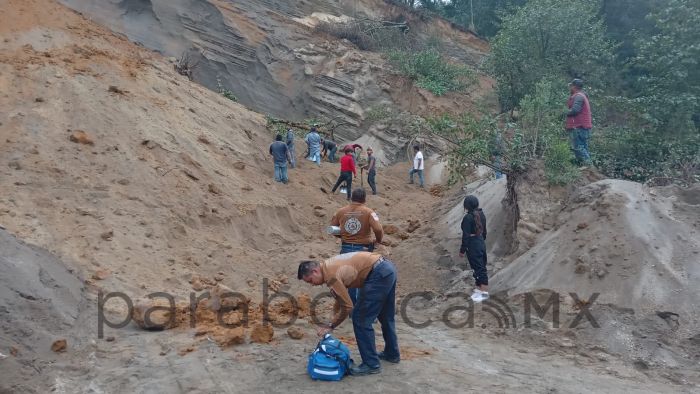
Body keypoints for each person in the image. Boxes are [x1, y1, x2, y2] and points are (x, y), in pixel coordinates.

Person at [297, 252, 400, 376]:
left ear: (315, 271)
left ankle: (371, 364)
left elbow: (347, 306)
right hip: (387, 269)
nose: (312, 284)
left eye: (310, 281)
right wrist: (332, 318)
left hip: (376, 275)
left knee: (360, 318)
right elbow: (341, 298)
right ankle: (392, 354)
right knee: (385, 316)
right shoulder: (328, 265)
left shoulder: (331, 276)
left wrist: (331, 325)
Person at [331, 188, 383, 304]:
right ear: (364, 199)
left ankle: (352, 309)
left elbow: (332, 229)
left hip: (346, 248)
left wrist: (343, 236)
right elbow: (378, 228)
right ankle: (363, 309)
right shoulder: (369, 212)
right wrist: (378, 240)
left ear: (351, 198)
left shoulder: (341, 211)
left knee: (350, 280)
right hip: (363, 249)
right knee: (364, 278)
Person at [459, 195, 488, 303]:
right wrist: (481, 240)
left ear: (466, 206)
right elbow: (484, 231)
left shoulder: (468, 218)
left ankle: (484, 293)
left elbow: (465, 235)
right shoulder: (481, 214)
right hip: (480, 241)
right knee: (480, 266)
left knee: (479, 268)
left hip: (473, 244)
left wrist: (462, 250)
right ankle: (479, 291)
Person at [565, 78, 593, 166]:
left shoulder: (578, 96)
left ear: (574, 86)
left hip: (579, 127)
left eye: (571, 86)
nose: (570, 88)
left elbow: (575, 110)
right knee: (583, 147)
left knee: (579, 147)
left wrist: (563, 112)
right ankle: (585, 168)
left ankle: (589, 167)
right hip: (583, 127)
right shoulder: (582, 96)